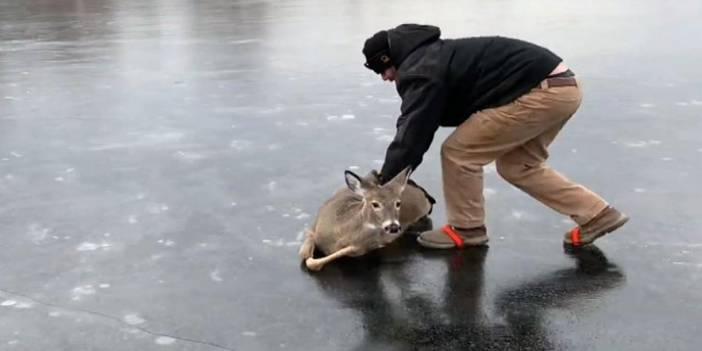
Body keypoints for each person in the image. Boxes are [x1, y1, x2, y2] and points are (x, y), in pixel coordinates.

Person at [362, 24, 628, 249]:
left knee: (459, 153)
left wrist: (388, 179)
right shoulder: (430, 56)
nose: (384, 77)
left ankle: (466, 229)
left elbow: (414, 128)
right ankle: (598, 214)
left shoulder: (420, 68)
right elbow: (433, 115)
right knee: (518, 166)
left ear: (389, 58)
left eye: (381, 69)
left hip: (539, 92)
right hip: (563, 88)